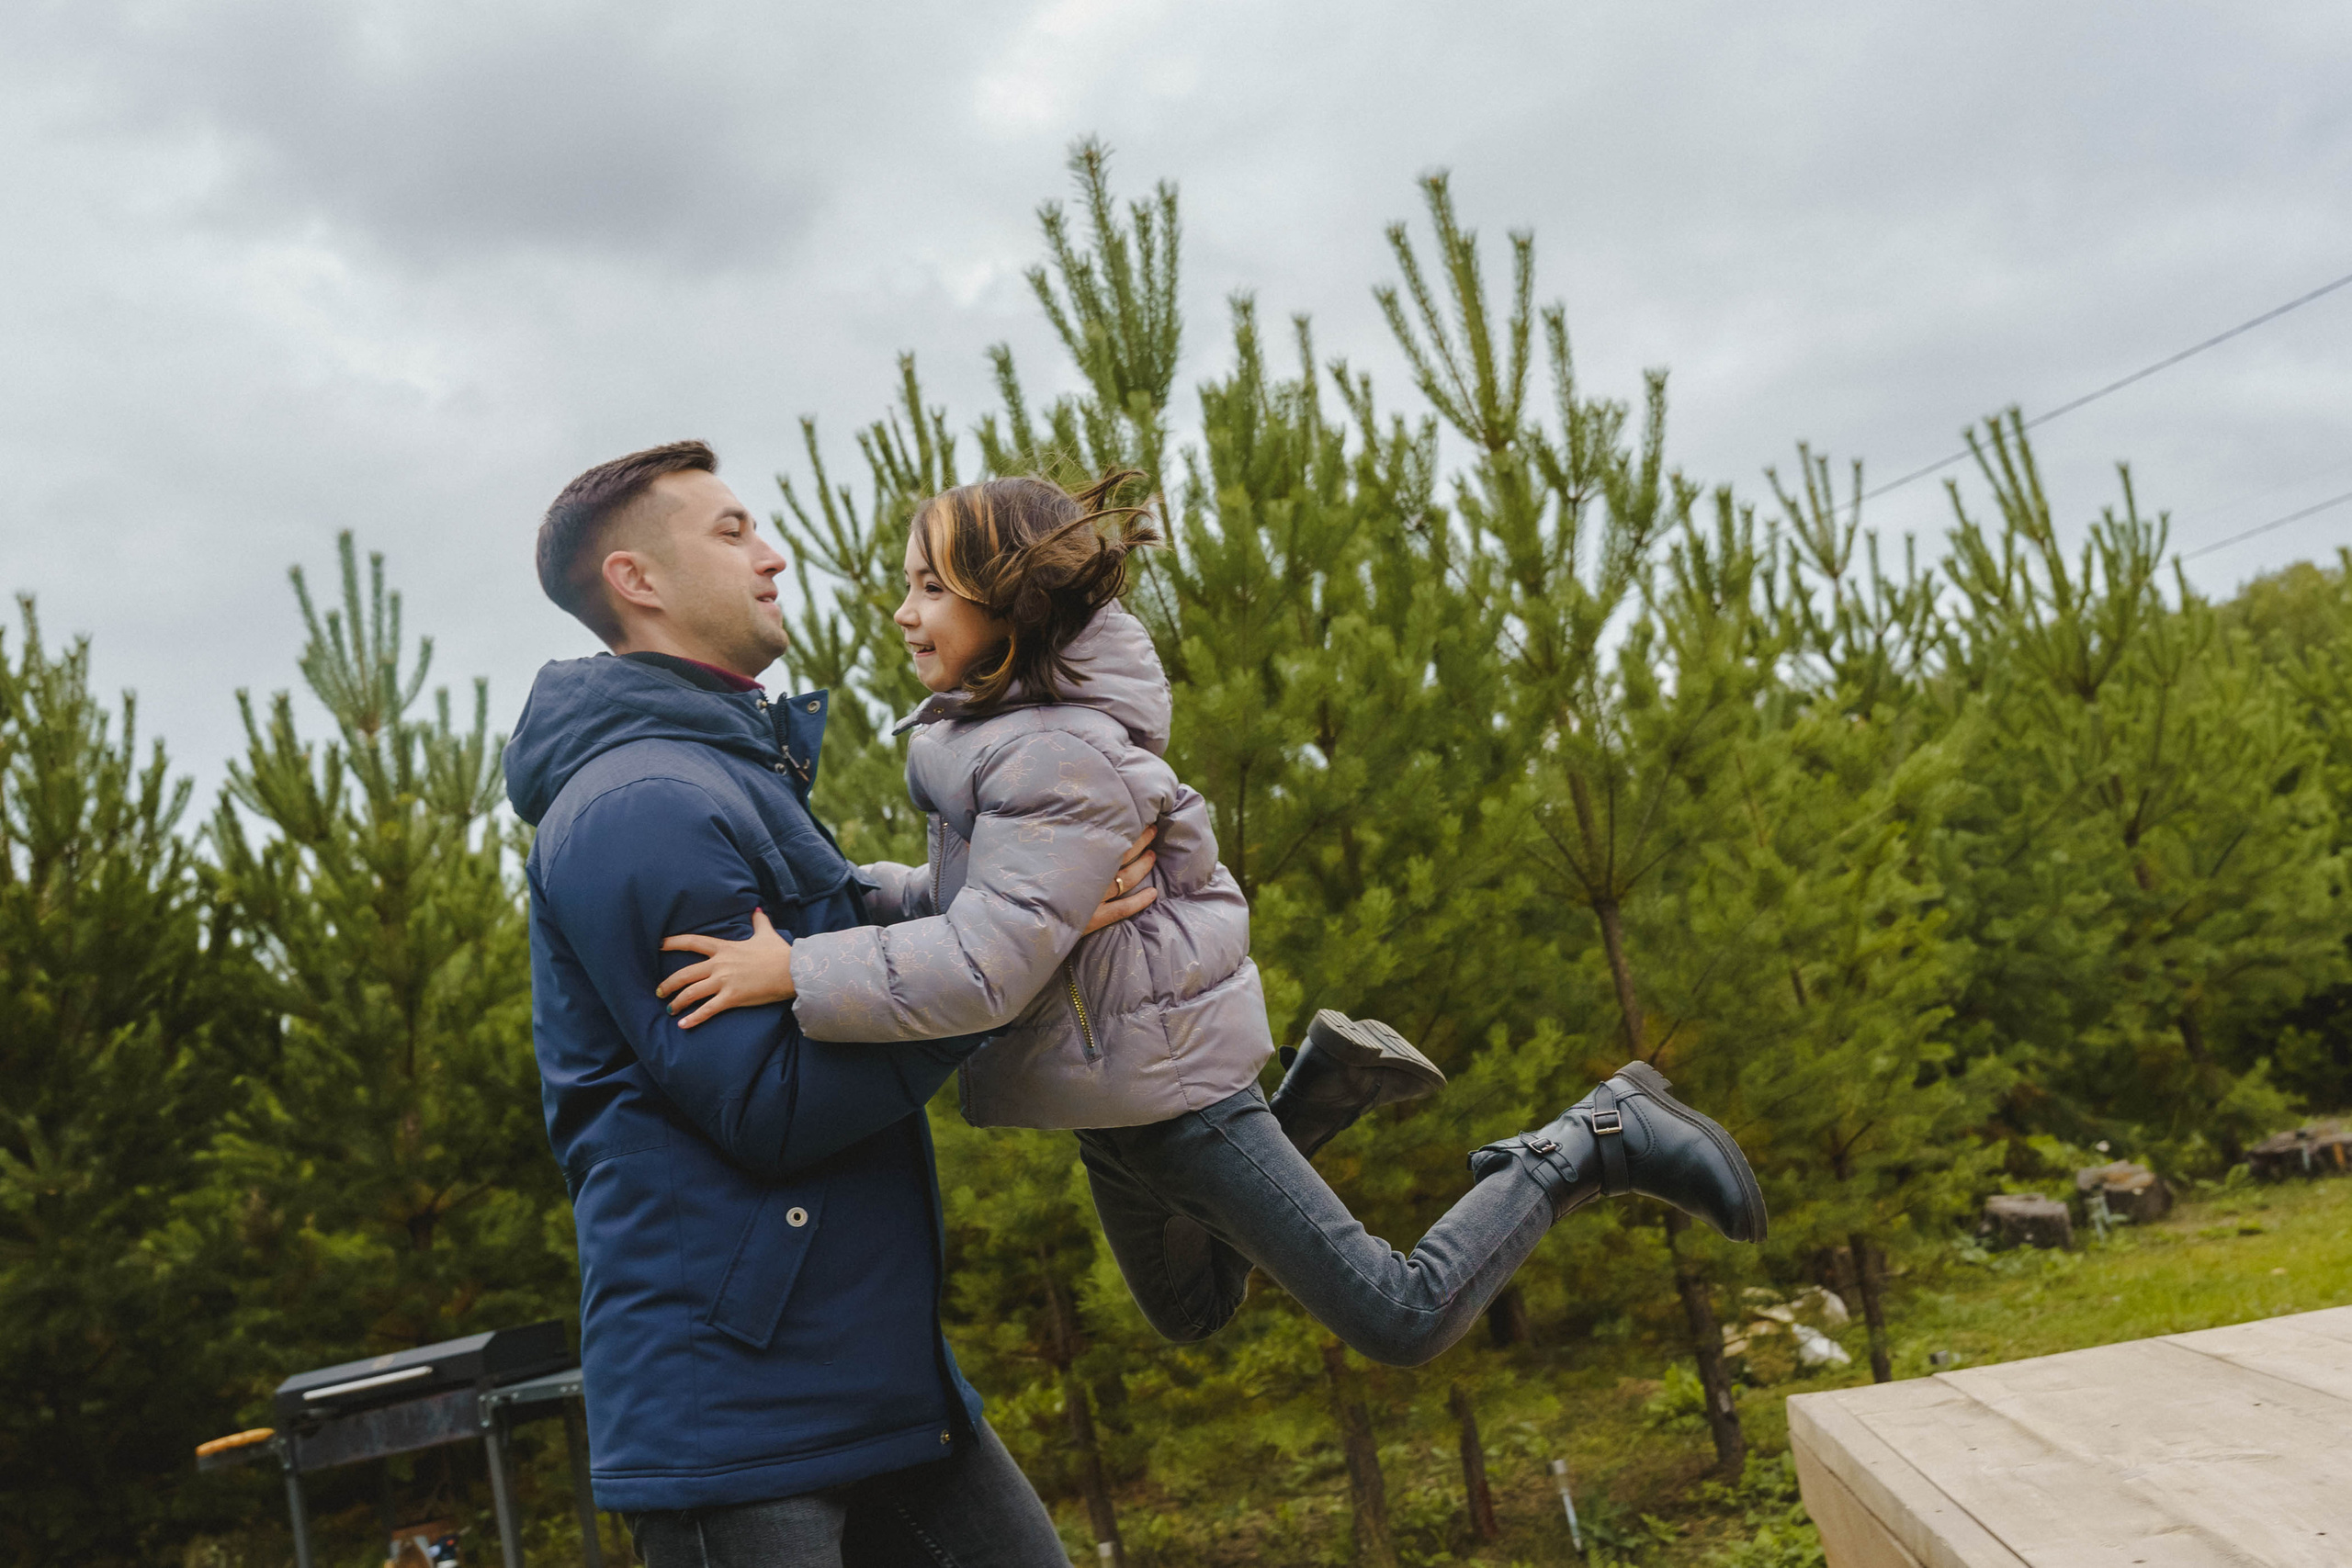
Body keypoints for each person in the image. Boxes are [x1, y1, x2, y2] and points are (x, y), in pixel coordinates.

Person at [654, 468, 1769, 1370]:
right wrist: (856, 895)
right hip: (1112, 1091)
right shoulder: (1000, 738)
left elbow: (986, 967)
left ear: (1013, 606)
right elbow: (979, 903)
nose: (903, 611)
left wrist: (798, 970)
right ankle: (1319, 1095)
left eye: (930, 588)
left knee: (1401, 1316)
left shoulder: (1053, 752)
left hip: (1174, 1088)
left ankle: (1587, 1141)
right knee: (1190, 1309)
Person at [507, 441, 1151, 1567]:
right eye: (731, 531)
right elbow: (772, 1102)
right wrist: (1015, 958)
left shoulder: (725, 770)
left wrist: (1020, 896)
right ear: (636, 581)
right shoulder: (641, 803)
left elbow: (856, 925)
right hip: (742, 1416)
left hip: (866, 1371)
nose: (774, 555)